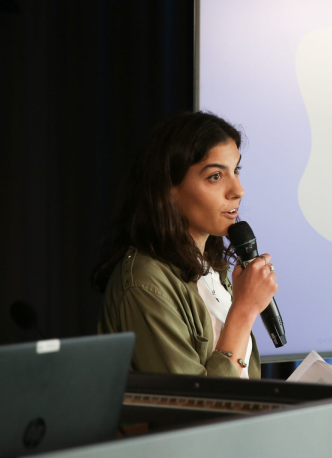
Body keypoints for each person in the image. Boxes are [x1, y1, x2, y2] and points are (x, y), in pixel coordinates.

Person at [92, 111, 277, 378]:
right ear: (169, 188)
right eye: (216, 176)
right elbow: (198, 400)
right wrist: (244, 310)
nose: (238, 190)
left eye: (235, 170)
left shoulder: (212, 268)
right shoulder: (145, 283)